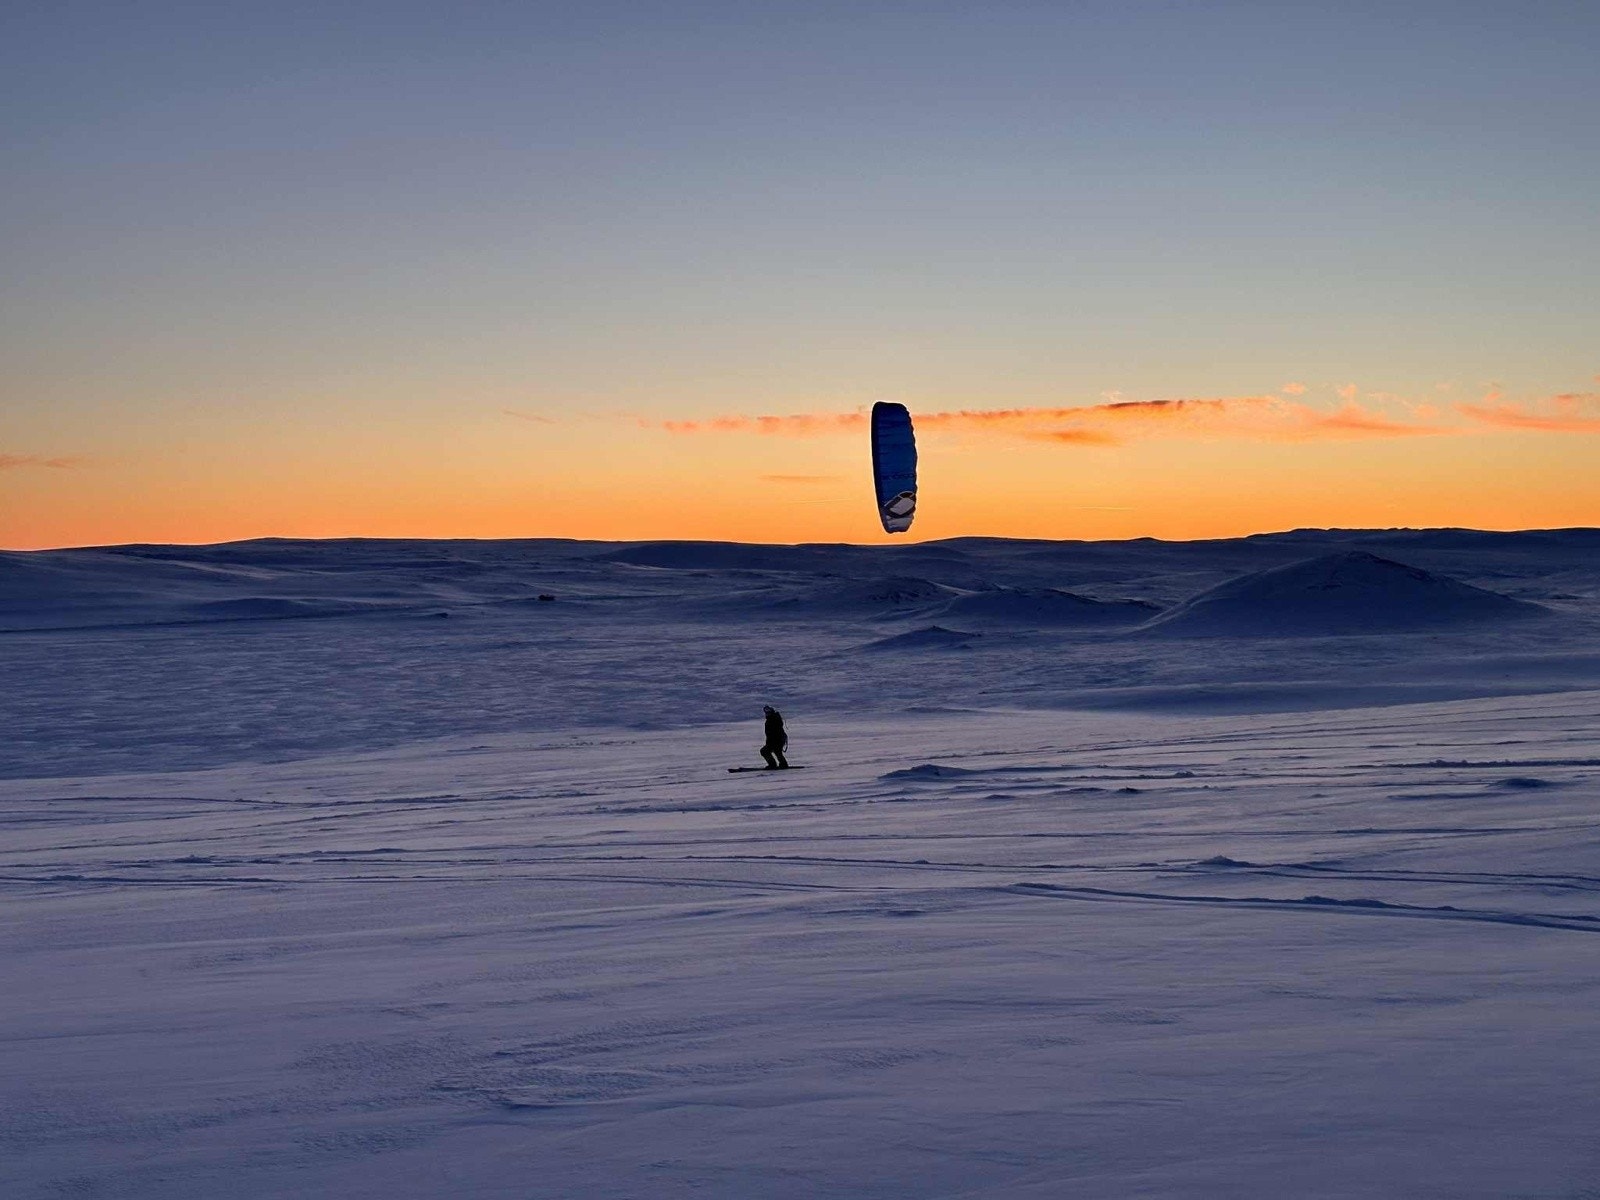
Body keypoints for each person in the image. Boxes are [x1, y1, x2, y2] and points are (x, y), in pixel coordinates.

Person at [760, 705, 789, 769]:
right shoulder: (772, 719)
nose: (766, 713)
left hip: (777, 740)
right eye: (766, 712)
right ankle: (782, 764)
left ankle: (774, 764)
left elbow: (775, 732)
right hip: (775, 741)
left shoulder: (774, 719)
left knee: (766, 751)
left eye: (768, 712)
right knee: (776, 752)